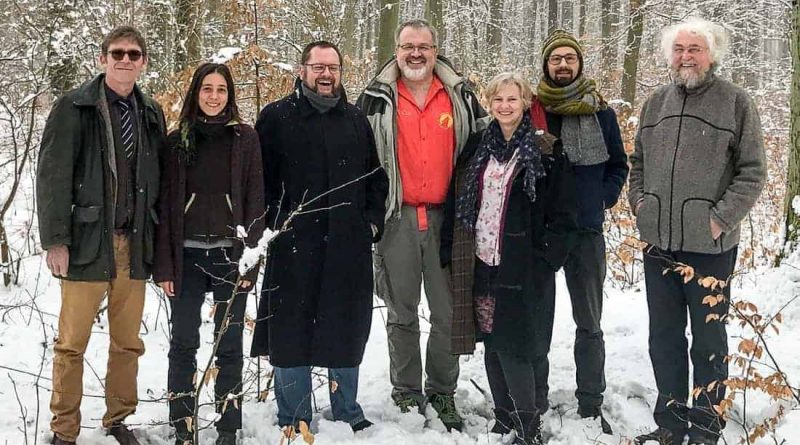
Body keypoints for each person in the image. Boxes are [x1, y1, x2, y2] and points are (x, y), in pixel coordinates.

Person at [629, 18, 766, 445]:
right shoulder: (656, 103)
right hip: (660, 244)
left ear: (712, 55)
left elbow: (752, 172)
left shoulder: (735, 102)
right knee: (663, 338)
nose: (686, 57)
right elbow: (638, 165)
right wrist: (640, 206)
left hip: (710, 247)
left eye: (695, 49)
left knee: (708, 340)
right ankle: (670, 424)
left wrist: (718, 219)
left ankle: (706, 426)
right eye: (679, 49)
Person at [250, 41, 388, 437]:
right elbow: (260, 181)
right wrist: (274, 226)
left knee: (345, 325)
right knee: (291, 329)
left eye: (333, 68)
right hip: (295, 244)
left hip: (348, 244)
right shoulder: (276, 117)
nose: (326, 75)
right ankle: (293, 414)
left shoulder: (355, 120)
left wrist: (371, 224)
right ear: (302, 69)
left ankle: (346, 407)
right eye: (318, 67)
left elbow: (375, 178)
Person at [356, 19, 489, 430]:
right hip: (397, 216)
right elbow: (359, 157)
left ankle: (442, 391)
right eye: (408, 46)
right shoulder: (376, 98)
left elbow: (488, 142)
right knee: (401, 311)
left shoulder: (460, 95)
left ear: (436, 50)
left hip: (448, 220)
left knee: (449, 312)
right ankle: (407, 391)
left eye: (424, 47)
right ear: (396, 50)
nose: (416, 53)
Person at [36, 26, 165, 445]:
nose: (125, 60)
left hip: (134, 244)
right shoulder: (74, 107)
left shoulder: (150, 112)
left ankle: (118, 418)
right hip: (88, 243)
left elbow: (158, 179)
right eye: (117, 53)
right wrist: (57, 239)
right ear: (102, 58)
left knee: (127, 343)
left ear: (143, 62)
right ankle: (64, 430)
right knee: (71, 344)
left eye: (133, 54)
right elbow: (52, 176)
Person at [440, 72, 577, 445]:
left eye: (512, 99)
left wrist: (547, 259)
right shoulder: (476, 146)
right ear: (489, 102)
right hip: (481, 259)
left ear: (526, 103)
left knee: (518, 343)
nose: (505, 106)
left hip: (524, 265)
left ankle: (528, 423)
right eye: (498, 99)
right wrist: (448, 248)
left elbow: (565, 212)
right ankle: (503, 415)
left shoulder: (546, 149)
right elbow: (457, 200)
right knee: (492, 340)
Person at [153, 63, 265, 445]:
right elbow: (166, 205)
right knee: (183, 342)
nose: (214, 96)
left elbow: (255, 200)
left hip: (229, 257)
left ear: (230, 95)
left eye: (221, 90)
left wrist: (251, 259)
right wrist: (164, 265)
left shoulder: (244, 139)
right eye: (206, 89)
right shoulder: (176, 139)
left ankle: (228, 426)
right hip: (185, 258)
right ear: (195, 94)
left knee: (229, 344)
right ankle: (182, 423)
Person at [534, 29, 628, 433]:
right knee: (536, 319)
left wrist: (601, 200)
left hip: (586, 231)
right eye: (556, 59)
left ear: (579, 64)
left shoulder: (600, 112)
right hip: (542, 232)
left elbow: (619, 165)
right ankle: (534, 395)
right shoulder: (532, 110)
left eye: (570, 58)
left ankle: (590, 398)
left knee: (589, 321)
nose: (563, 65)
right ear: (546, 65)